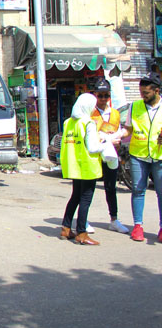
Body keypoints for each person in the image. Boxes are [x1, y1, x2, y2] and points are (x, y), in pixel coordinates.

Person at [122, 72, 162, 243]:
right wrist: (118, 136)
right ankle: (138, 226)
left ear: (156, 91)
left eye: (146, 93)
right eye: (141, 92)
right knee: (138, 190)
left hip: (159, 156)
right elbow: (128, 129)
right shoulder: (135, 106)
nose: (142, 96)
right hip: (138, 155)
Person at [59, 93, 103, 245]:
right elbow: (92, 147)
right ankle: (82, 233)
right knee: (85, 199)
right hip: (87, 166)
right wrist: (105, 144)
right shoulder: (88, 123)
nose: (94, 109)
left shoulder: (68, 122)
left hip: (73, 165)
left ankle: (66, 228)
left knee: (75, 197)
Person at [90, 79, 129, 234]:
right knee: (88, 188)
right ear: (95, 95)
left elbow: (118, 132)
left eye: (106, 95)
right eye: (100, 95)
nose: (103, 99)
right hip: (94, 154)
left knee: (111, 187)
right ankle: (83, 219)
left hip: (110, 154)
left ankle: (114, 219)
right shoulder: (90, 112)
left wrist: (117, 142)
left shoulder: (115, 113)